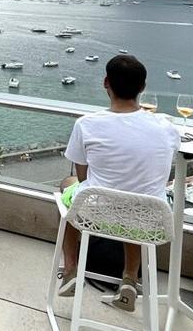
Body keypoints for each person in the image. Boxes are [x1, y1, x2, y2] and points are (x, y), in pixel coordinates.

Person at [57, 54, 180, 312]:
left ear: (106, 83)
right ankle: (130, 278)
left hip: (96, 213)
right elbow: (163, 172)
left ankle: (70, 270)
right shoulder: (166, 127)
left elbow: (82, 177)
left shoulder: (87, 124)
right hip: (149, 218)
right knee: (134, 200)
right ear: (142, 88)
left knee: (69, 188)